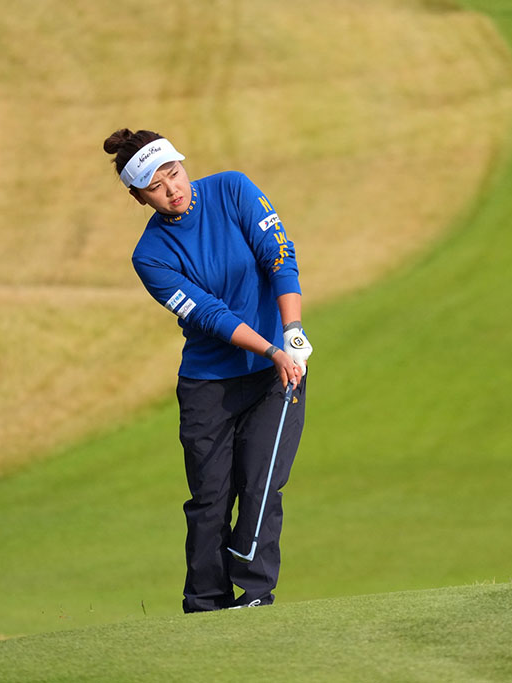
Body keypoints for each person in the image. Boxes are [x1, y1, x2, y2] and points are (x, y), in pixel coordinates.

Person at [102, 128, 313, 612]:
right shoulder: (150, 256)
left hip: (275, 374)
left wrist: (292, 332)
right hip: (208, 385)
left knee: (260, 485)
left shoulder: (233, 189)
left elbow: (280, 256)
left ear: (183, 164)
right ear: (139, 198)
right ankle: (204, 607)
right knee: (210, 499)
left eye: (174, 173)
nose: (172, 189)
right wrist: (272, 349)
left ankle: (255, 595)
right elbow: (210, 315)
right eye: (156, 186)